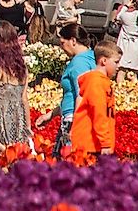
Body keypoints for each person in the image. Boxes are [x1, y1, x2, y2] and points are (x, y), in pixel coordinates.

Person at [36, 23, 96, 160]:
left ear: (73, 41)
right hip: (81, 117)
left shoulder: (79, 63)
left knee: (68, 162)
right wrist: (51, 115)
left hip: (73, 120)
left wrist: (76, 124)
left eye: (63, 43)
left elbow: (81, 94)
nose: (62, 47)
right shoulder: (91, 57)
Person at [0, 22, 33, 153]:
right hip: (19, 117)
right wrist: (28, 127)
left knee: (2, 156)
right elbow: (24, 99)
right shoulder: (22, 67)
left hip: (1, 117)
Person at [65, 40, 123, 159]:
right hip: (91, 145)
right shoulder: (96, 82)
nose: (118, 66)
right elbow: (99, 113)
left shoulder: (101, 81)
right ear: (104, 61)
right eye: (116, 62)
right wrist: (105, 142)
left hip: (95, 144)